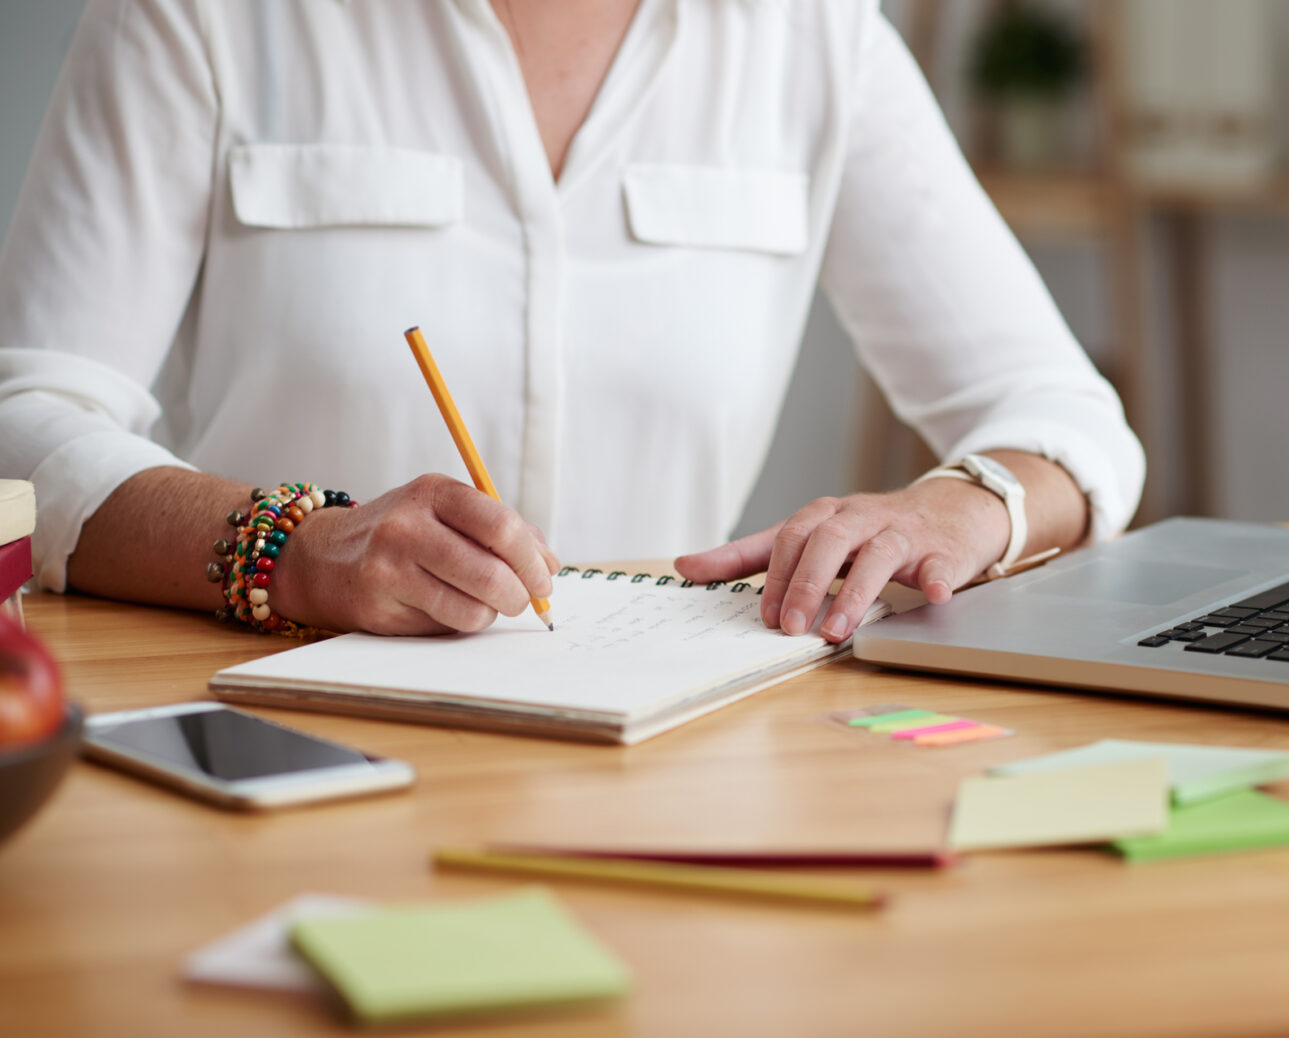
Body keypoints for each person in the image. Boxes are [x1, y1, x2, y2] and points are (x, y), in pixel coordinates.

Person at [0, 0, 1144, 644]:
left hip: (664, 758)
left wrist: (954, 509)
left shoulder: (813, 35)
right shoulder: (199, 14)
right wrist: (288, 547)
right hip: (275, 725)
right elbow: (23, 420)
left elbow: (1065, 422)